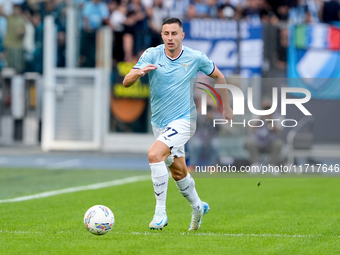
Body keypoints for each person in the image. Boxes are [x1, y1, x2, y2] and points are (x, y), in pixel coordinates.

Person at [123, 17, 233, 231]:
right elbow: (126, 82)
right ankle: (198, 206)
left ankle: (160, 213)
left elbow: (219, 76)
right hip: (160, 124)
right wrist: (137, 73)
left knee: (155, 155)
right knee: (178, 172)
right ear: (162, 35)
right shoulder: (151, 54)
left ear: (182, 35)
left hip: (184, 121)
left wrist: (226, 107)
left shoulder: (195, 57)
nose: (170, 38)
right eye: (166, 34)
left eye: (174, 34)